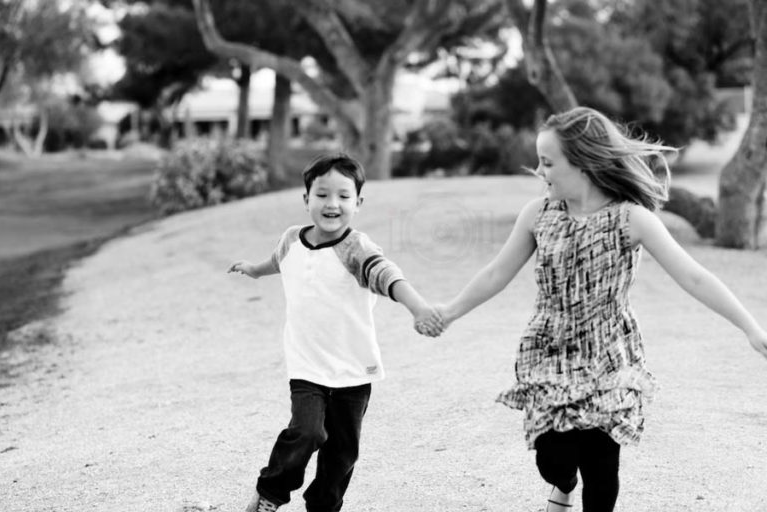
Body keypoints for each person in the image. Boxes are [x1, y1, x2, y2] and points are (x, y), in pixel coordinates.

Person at [419, 106, 767, 512]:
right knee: (554, 458)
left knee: (601, 466)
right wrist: (451, 310)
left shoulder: (632, 219)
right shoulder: (538, 215)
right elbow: (497, 273)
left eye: (548, 162)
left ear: (582, 162)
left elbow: (694, 277)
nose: (539, 171)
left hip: (610, 354)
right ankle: (562, 485)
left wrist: (750, 327)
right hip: (549, 351)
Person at [228, 153, 441, 512]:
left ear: (358, 203)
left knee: (341, 453)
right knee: (307, 432)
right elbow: (277, 262)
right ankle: (270, 493)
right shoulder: (291, 239)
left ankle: (323, 507)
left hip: (353, 370)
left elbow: (387, 275)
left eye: (343, 196)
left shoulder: (356, 249)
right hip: (307, 366)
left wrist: (418, 307)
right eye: (322, 194)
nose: (332, 204)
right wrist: (253, 269)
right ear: (306, 199)